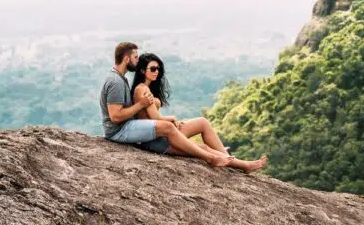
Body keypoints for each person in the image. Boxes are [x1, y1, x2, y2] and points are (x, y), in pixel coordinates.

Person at [99, 42, 267, 173]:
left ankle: (231, 159)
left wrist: (166, 118)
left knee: (201, 123)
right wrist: (144, 106)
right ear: (127, 59)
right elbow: (116, 117)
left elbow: (147, 119)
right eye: (135, 57)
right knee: (200, 147)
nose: (156, 71)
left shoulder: (122, 80)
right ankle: (228, 161)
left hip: (148, 131)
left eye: (158, 68)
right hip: (130, 134)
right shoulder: (120, 83)